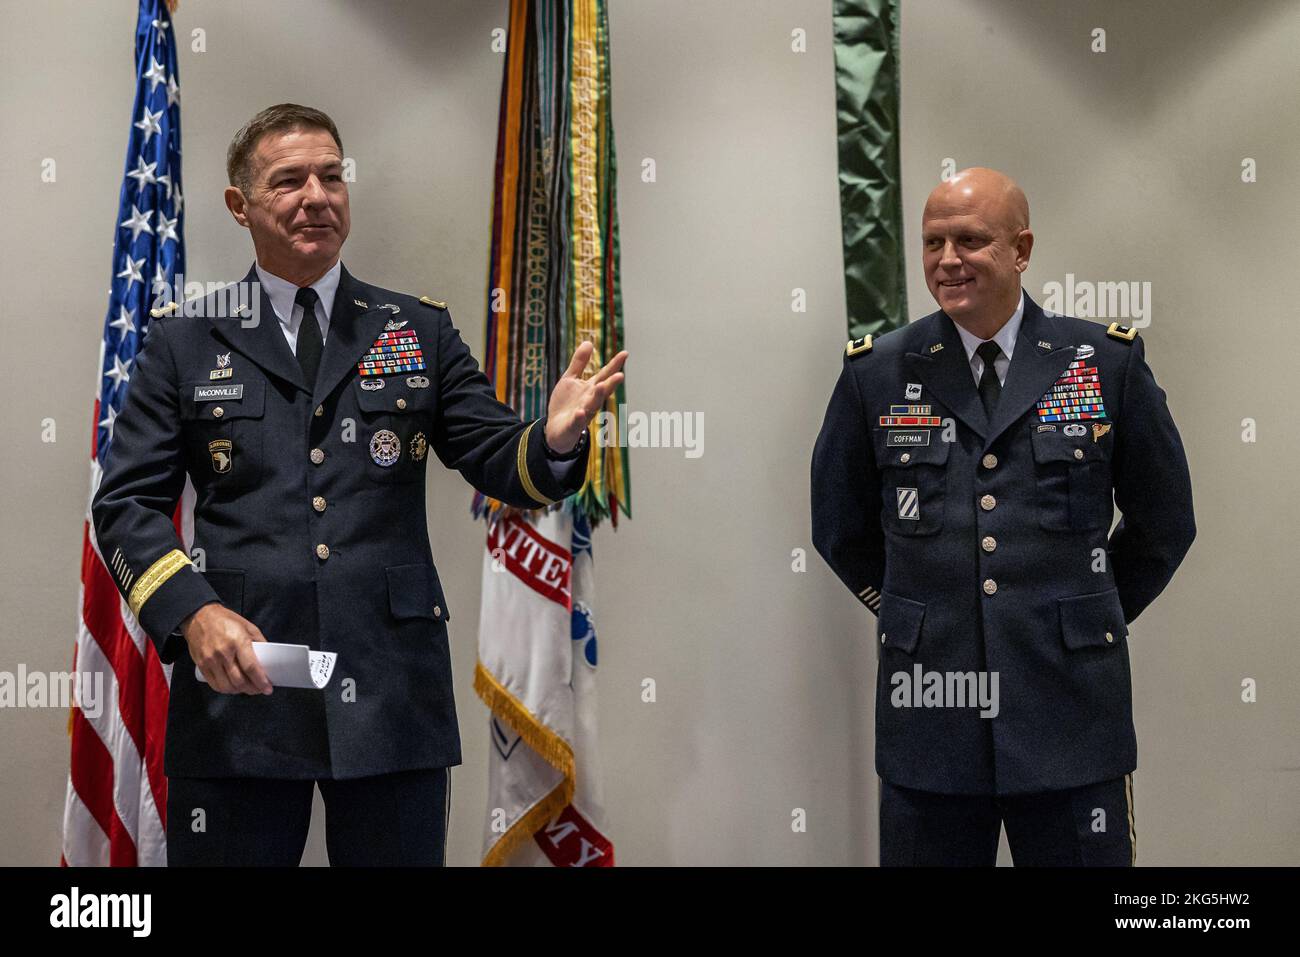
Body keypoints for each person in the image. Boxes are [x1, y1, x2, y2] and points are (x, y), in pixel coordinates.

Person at [92, 103, 627, 866]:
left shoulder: (413, 329)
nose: (318, 194)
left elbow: (495, 456)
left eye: (332, 176)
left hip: (389, 691)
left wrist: (552, 438)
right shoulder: (185, 340)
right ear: (239, 205)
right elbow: (125, 505)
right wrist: (192, 613)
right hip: (242, 688)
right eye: (289, 180)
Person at [811, 167, 1194, 866]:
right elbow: (839, 528)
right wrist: (912, 613)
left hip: (1071, 719)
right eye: (932, 243)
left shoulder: (1103, 362)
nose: (947, 260)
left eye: (969, 240)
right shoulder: (879, 371)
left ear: (1021, 249)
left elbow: (1166, 523)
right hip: (930, 718)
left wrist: (1091, 615)